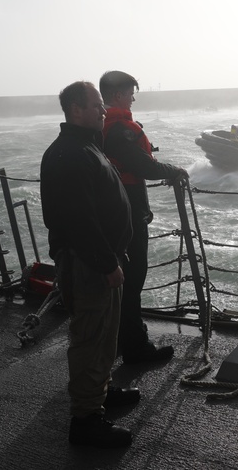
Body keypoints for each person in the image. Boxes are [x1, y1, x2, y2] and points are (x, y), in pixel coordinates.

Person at [40, 81, 139, 448]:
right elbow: (79, 220)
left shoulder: (84, 147)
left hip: (98, 259)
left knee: (103, 335)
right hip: (88, 264)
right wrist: (106, 263)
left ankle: (100, 390)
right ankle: (86, 420)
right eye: (97, 105)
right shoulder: (71, 155)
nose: (103, 111)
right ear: (75, 110)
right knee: (90, 338)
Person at [99, 70, 189, 364]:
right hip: (126, 214)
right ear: (117, 96)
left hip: (113, 209)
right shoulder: (119, 130)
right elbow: (143, 166)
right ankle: (136, 349)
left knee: (124, 282)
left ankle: (123, 340)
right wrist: (173, 171)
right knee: (132, 279)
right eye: (130, 93)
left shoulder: (103, 127)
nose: (133, 98)